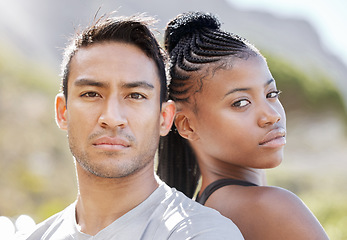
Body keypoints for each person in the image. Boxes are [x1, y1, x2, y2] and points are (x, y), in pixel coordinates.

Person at [19, 13, 244, 239]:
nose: (112, 117)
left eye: (135, 95)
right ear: (62, 112)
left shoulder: (201, 232)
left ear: (164, 118)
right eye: (91, 94)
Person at [158, 12, 329, 239]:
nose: (271, 116)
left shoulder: (204, 209)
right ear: (186, 125)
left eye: (271, 94)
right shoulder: (272, 208)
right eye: (241, 103)